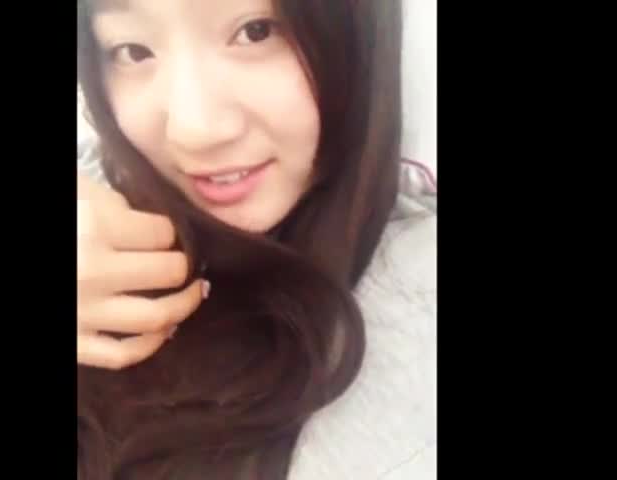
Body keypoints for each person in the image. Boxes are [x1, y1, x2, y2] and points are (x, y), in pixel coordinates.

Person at [77, 0, 436, 479]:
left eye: (256, 31)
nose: (195, 130)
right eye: (134, 51)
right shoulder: (96, 192)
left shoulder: (417, 301)